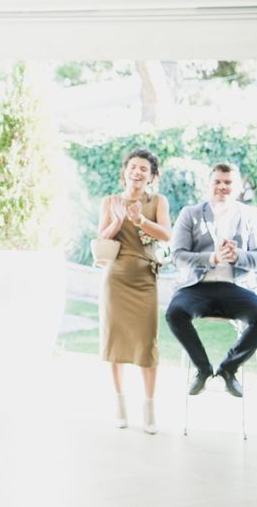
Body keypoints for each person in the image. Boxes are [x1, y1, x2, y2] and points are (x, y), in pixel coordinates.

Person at [166, 162, 257, 398]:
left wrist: (238, 256)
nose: (222, 187)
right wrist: (212, 258)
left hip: (238, 288)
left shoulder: (252, 215)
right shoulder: (190, 213)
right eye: (217, 182)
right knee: (174, 312)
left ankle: (229, 369)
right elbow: (177, 255)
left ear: (237, 187)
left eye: (228, 183)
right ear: (209, 185)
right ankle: (203, 369)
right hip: (197, 287)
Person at [97, 148, 171, 434]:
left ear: (152, 176)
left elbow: (166, 233)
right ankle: (119, 405)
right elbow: (100, 237)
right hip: (115, 278)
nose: (137, 172)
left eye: (144, 168)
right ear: (125, 170)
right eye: (133, 166)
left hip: (145, 278)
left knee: (147, 343)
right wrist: (117, 220)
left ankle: (150, 409)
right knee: (115, 342)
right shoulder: (110, 201)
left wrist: (140, 220)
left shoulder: (158, 202)